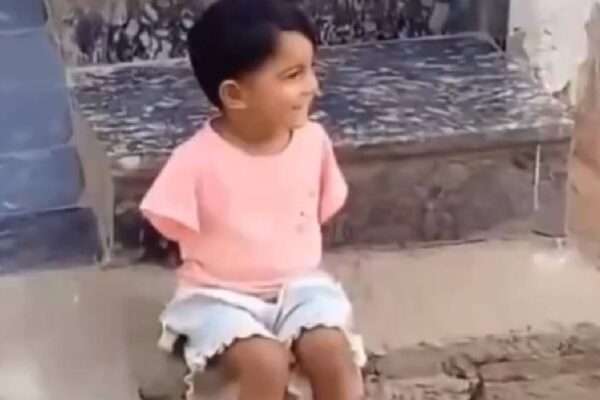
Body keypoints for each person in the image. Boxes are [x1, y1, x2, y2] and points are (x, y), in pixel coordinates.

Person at [140, 0, 364, 399]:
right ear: (235, 95)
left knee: (332, 351)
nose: (313, 86)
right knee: (265, 362)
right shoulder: (195, 161)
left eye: (312, 69)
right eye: (293, 75)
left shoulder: (313, 142)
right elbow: (167, 223)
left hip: (302, 288)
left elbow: (319, 209)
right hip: (219, 296)